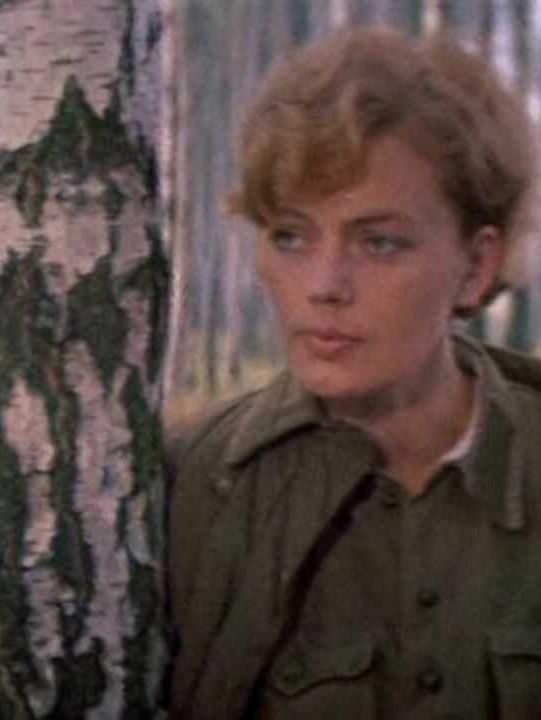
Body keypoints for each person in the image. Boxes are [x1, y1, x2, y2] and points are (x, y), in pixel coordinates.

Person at [167, 26, 541, 719]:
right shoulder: (190, 492)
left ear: (476, 264)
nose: (324, 286)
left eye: (379, 243)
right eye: (290, 236)